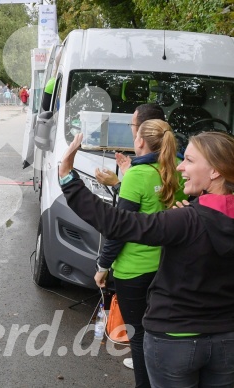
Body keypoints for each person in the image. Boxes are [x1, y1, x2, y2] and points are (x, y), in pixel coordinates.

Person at [59, 131, 234, 388]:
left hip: (174, 340)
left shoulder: (186, 220)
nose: (181, 166)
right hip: (226, 340)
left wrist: (68, 179)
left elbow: (116, 223)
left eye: (189, 160)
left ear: (216, 171)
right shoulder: (191, 218)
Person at [94, 119, 186, 388]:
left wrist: (102, 266)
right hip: (168, 266)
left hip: (133, 269)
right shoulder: (177, 170)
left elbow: (120, 228)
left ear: (140, 142)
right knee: (163, 332)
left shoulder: (137, 174)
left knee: (138, 334)